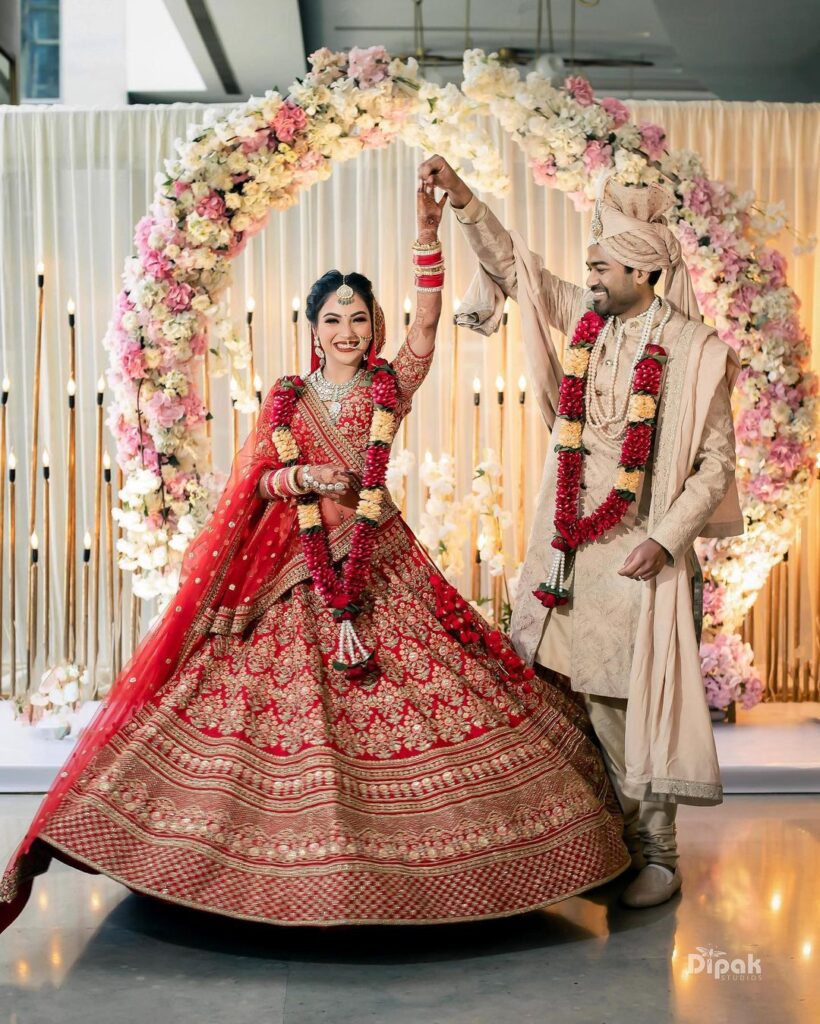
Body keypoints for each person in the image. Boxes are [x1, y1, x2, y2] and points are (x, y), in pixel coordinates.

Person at [0, 182, 629, 932]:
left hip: (380, 560)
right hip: (293, 568)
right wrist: (302, 476)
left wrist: (427, 232)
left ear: (374, 325)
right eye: (334, 318)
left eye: (360, 318)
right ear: (313, 326)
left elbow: (429, 326)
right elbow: (255, 478)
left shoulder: (389, 384)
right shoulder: (289, 395)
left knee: (435, 691)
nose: (348, 330)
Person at [418, 155, 744, 909]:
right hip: (567, 541)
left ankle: (656, 856)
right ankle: (603, 845)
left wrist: (664, 538)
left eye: (601, 261)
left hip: (639, 552)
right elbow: (516, 267)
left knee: (632, 701)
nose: (588, 270)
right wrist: (464, 200)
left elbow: (715, 464)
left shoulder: (695, 353)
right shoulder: (588, 321)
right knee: (575, 696)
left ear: (641, 268)